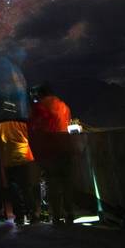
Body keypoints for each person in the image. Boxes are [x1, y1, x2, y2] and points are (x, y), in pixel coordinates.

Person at [29, 83, 75, 225]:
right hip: (66, 146)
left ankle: (56, 216)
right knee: (67, 182)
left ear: (41, 94)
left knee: (53, 183)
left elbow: (33, 128)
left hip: (49, 150)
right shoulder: (64, 106)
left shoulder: (39, 107)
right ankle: (70, 213)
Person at [0, 110, 38, 226]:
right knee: (26, 188)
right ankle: (32, 214)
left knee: (13, 189)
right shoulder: (23, 124)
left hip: (8, 161)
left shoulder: (0, 126)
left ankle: (19, 216)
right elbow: (31, 138)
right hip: (23, 158)